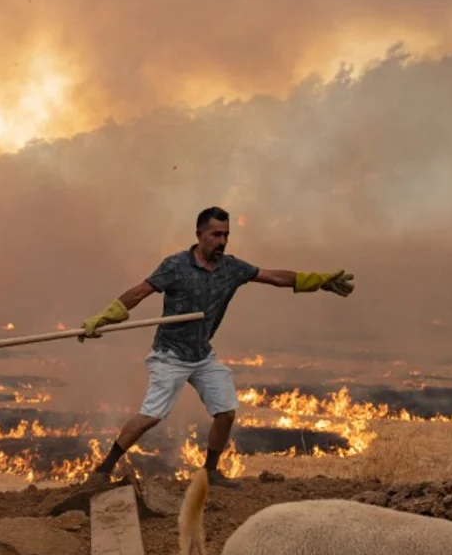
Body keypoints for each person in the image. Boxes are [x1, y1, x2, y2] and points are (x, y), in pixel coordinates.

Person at [77, 206, 353, 489]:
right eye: (215, 235)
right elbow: (139, 292)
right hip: (170, 355)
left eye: (226, 235)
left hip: (202, 355)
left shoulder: (231, 269)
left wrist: (318, 281)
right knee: (151, 416)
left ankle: (210, 471)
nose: (221, 241)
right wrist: (106, 316)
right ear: (199, 235)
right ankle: (103, 470)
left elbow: (274, 277)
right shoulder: (176, 266)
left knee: (226, 412)